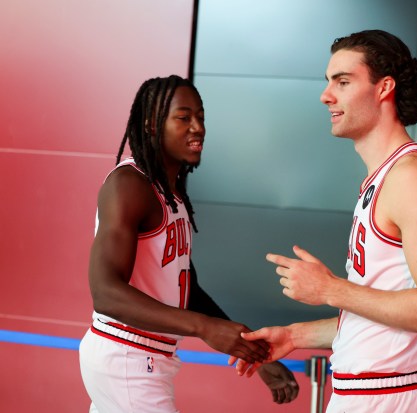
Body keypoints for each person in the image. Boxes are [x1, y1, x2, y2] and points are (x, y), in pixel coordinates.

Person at [234, 30, 417, 412]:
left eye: (343, 82)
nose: (327, 95)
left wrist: (330, 289)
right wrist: (295, 335)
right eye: (328, 82)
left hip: (391, 397)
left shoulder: (414, 177)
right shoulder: (385, 177)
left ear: (383, 88)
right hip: (370, 394)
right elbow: (384, 319)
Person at [79, 75, 298, 412]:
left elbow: (187, 289)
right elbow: (105, 292)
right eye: (184, 118)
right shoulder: (129, 184)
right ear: (152, 125)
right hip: (127, 355)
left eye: (201, 117)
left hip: (141, 358)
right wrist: (204, 327)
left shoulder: (172, 194)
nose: (198, 127)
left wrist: (252, 350)